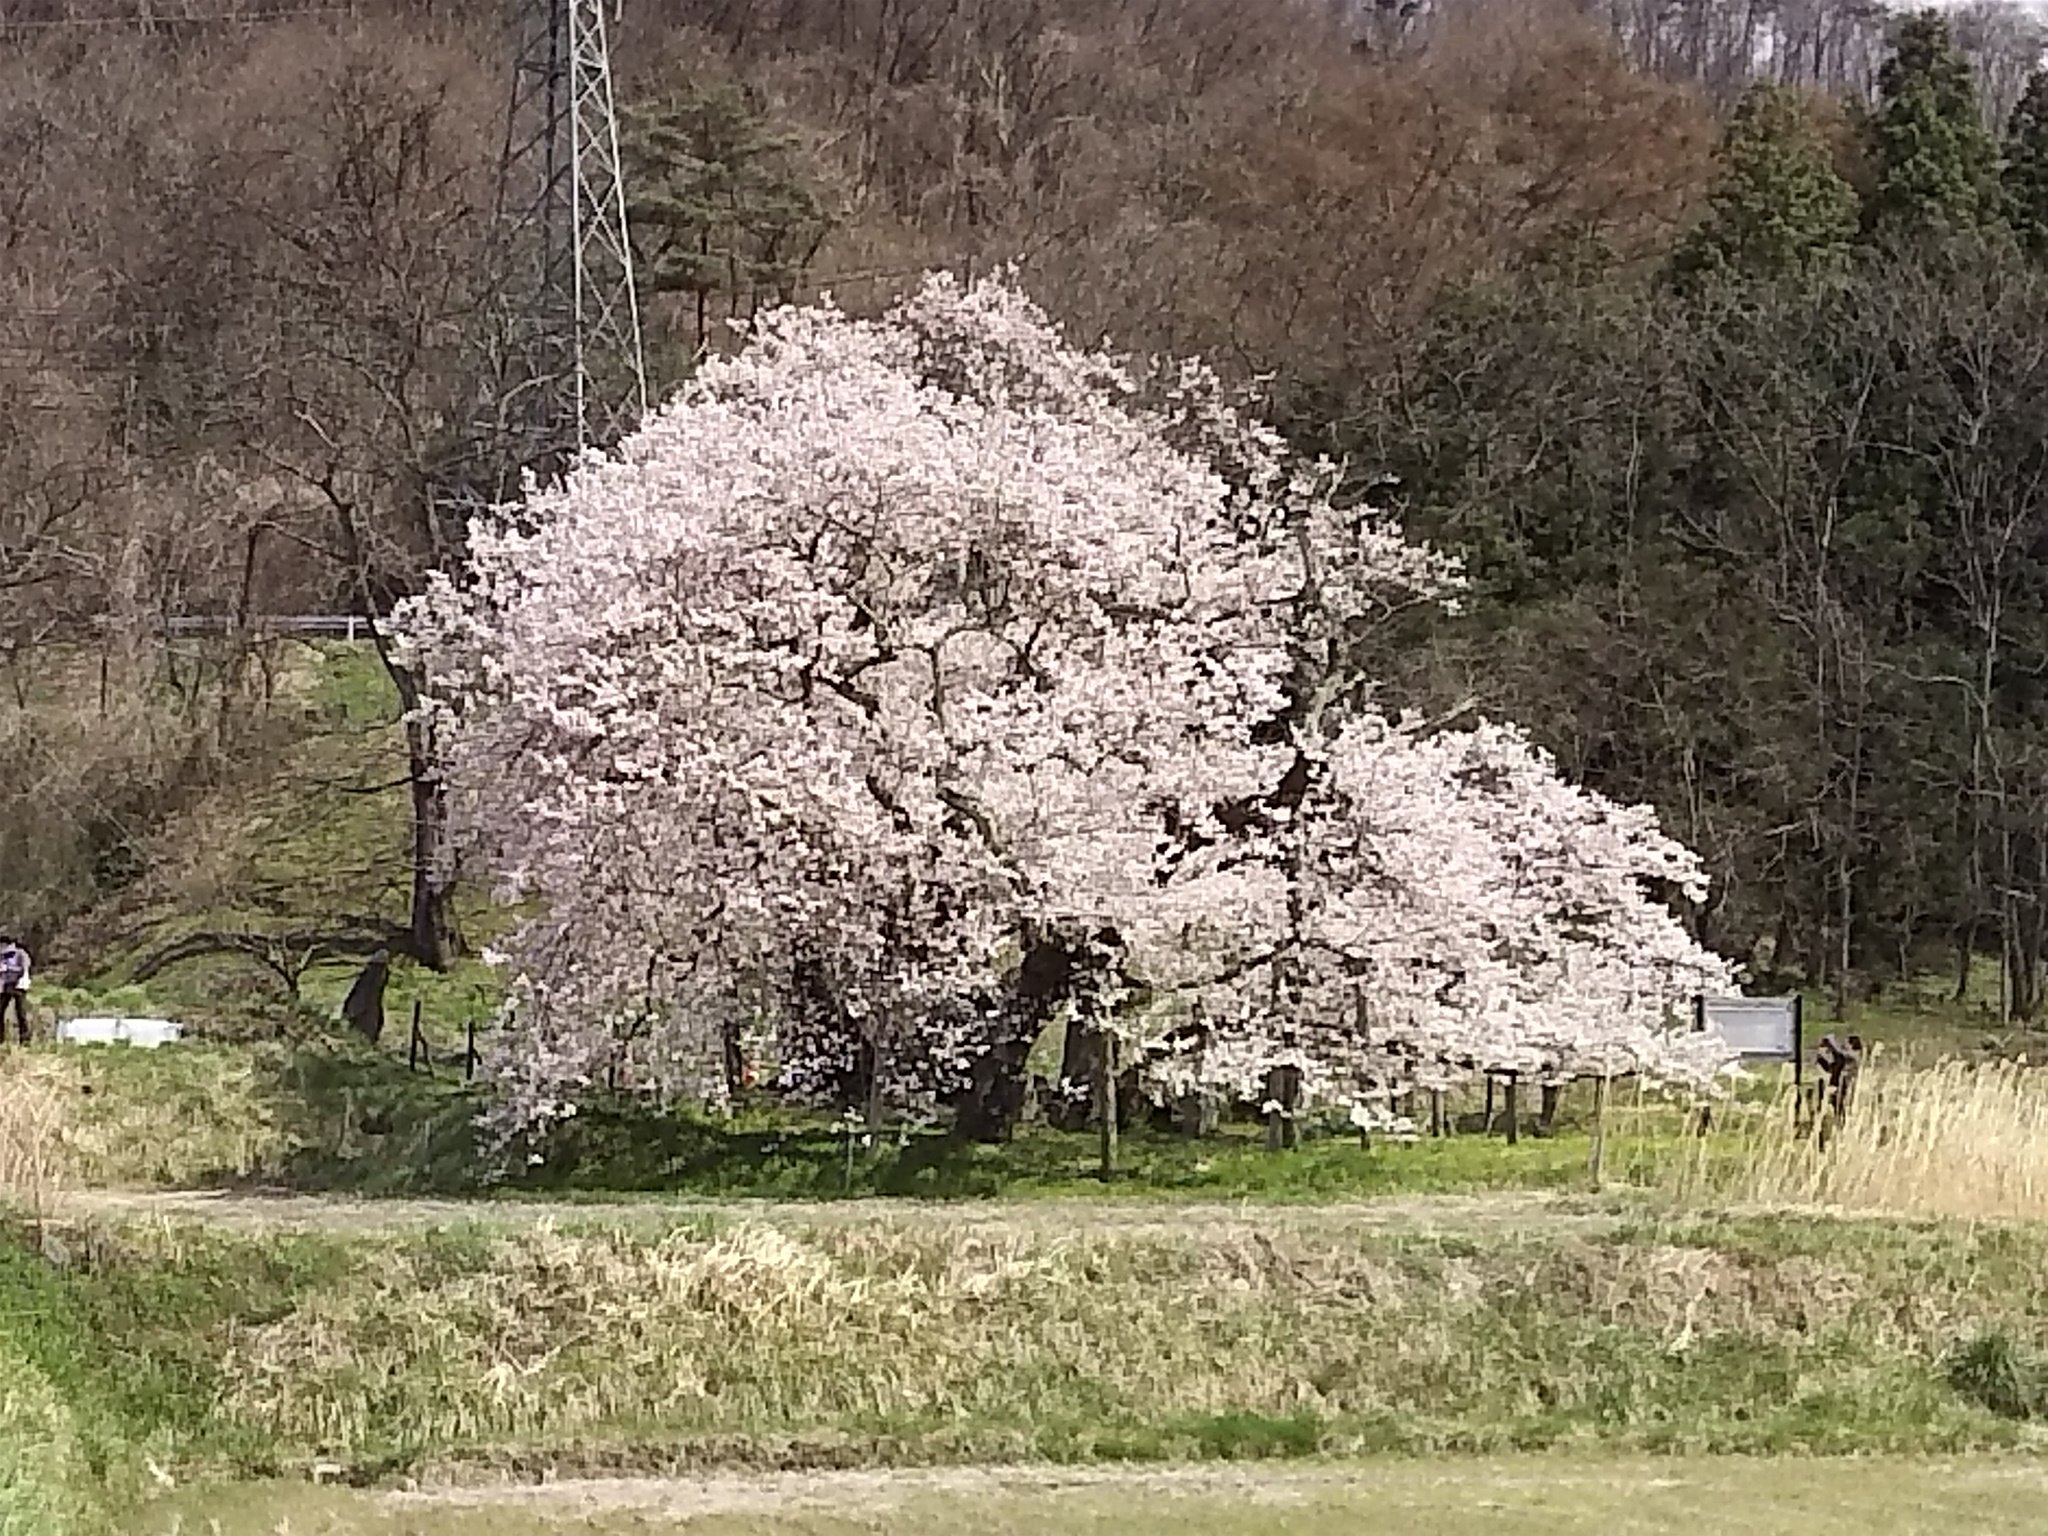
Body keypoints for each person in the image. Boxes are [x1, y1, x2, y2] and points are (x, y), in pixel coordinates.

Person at [0, 935, 30, 1046]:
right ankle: (1, 1039)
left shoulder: (20, 954)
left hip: (19, 986)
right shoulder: (2, 956)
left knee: (20, 1012)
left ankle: (25, 1039)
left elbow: (24, 969)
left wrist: (8, 969)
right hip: (6, 985)